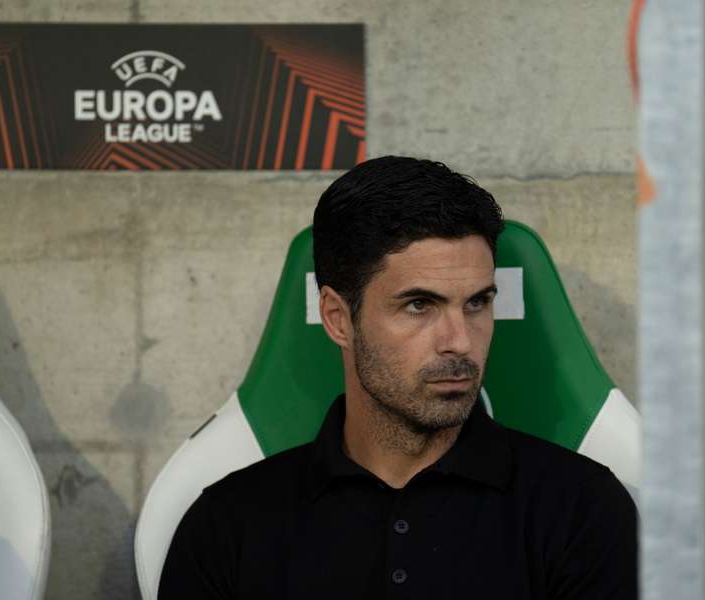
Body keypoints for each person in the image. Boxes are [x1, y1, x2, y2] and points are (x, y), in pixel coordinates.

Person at [159, 156, 638, 599]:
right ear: (337, 318)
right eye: (419, 305)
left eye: (477, 302)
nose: (460, 342)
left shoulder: (582, 509)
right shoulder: (227, 524)